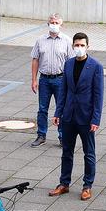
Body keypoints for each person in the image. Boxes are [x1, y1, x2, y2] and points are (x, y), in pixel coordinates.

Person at [49, 33, 104, 201]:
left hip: (86, 117)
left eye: (82, 45)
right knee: (67, 151)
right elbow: (63, 90)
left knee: (89, 153)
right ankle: (64, 183)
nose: (79, 48)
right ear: (72, 46)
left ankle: (87, 185)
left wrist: (96, 119)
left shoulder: (96, 66)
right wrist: (58, 112)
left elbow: (98, 95)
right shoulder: (68, 64)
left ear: (88, 46)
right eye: (76, 45)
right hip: (68, 116)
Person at [30, 13, 74, 148]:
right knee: (42, 108)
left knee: (62, 109)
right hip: (44, 79)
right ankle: (41, 135)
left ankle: (63, 136)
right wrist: (34, 79)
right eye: (52, 22)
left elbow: (71, 62)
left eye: (56, 23)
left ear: (61, 24)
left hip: (60, 79)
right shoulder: (40, 40)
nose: (54, 25)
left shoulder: (66, 40)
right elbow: (35, 59)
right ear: (47, 24)